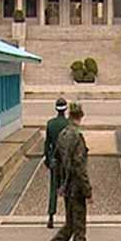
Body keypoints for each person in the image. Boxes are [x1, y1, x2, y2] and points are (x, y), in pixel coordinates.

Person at [38, 101, 99, 241]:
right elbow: (79, 167)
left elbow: (55, 157)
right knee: (79, 229)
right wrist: (88, 191)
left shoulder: (63, 134)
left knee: (70, 226)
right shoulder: (76, 136)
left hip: (66, 187)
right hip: (76, 189)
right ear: (81, 116)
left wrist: (61, 184)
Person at [44, 97, 68, 229]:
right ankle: (68, 217)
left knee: (53, 188)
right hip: (66, 161)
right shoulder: (69, 124)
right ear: (66, 109)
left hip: (54, 160)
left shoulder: (50, 124)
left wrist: (47, 160)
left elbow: (47, 143)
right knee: (67, 187)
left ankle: (51, 217)